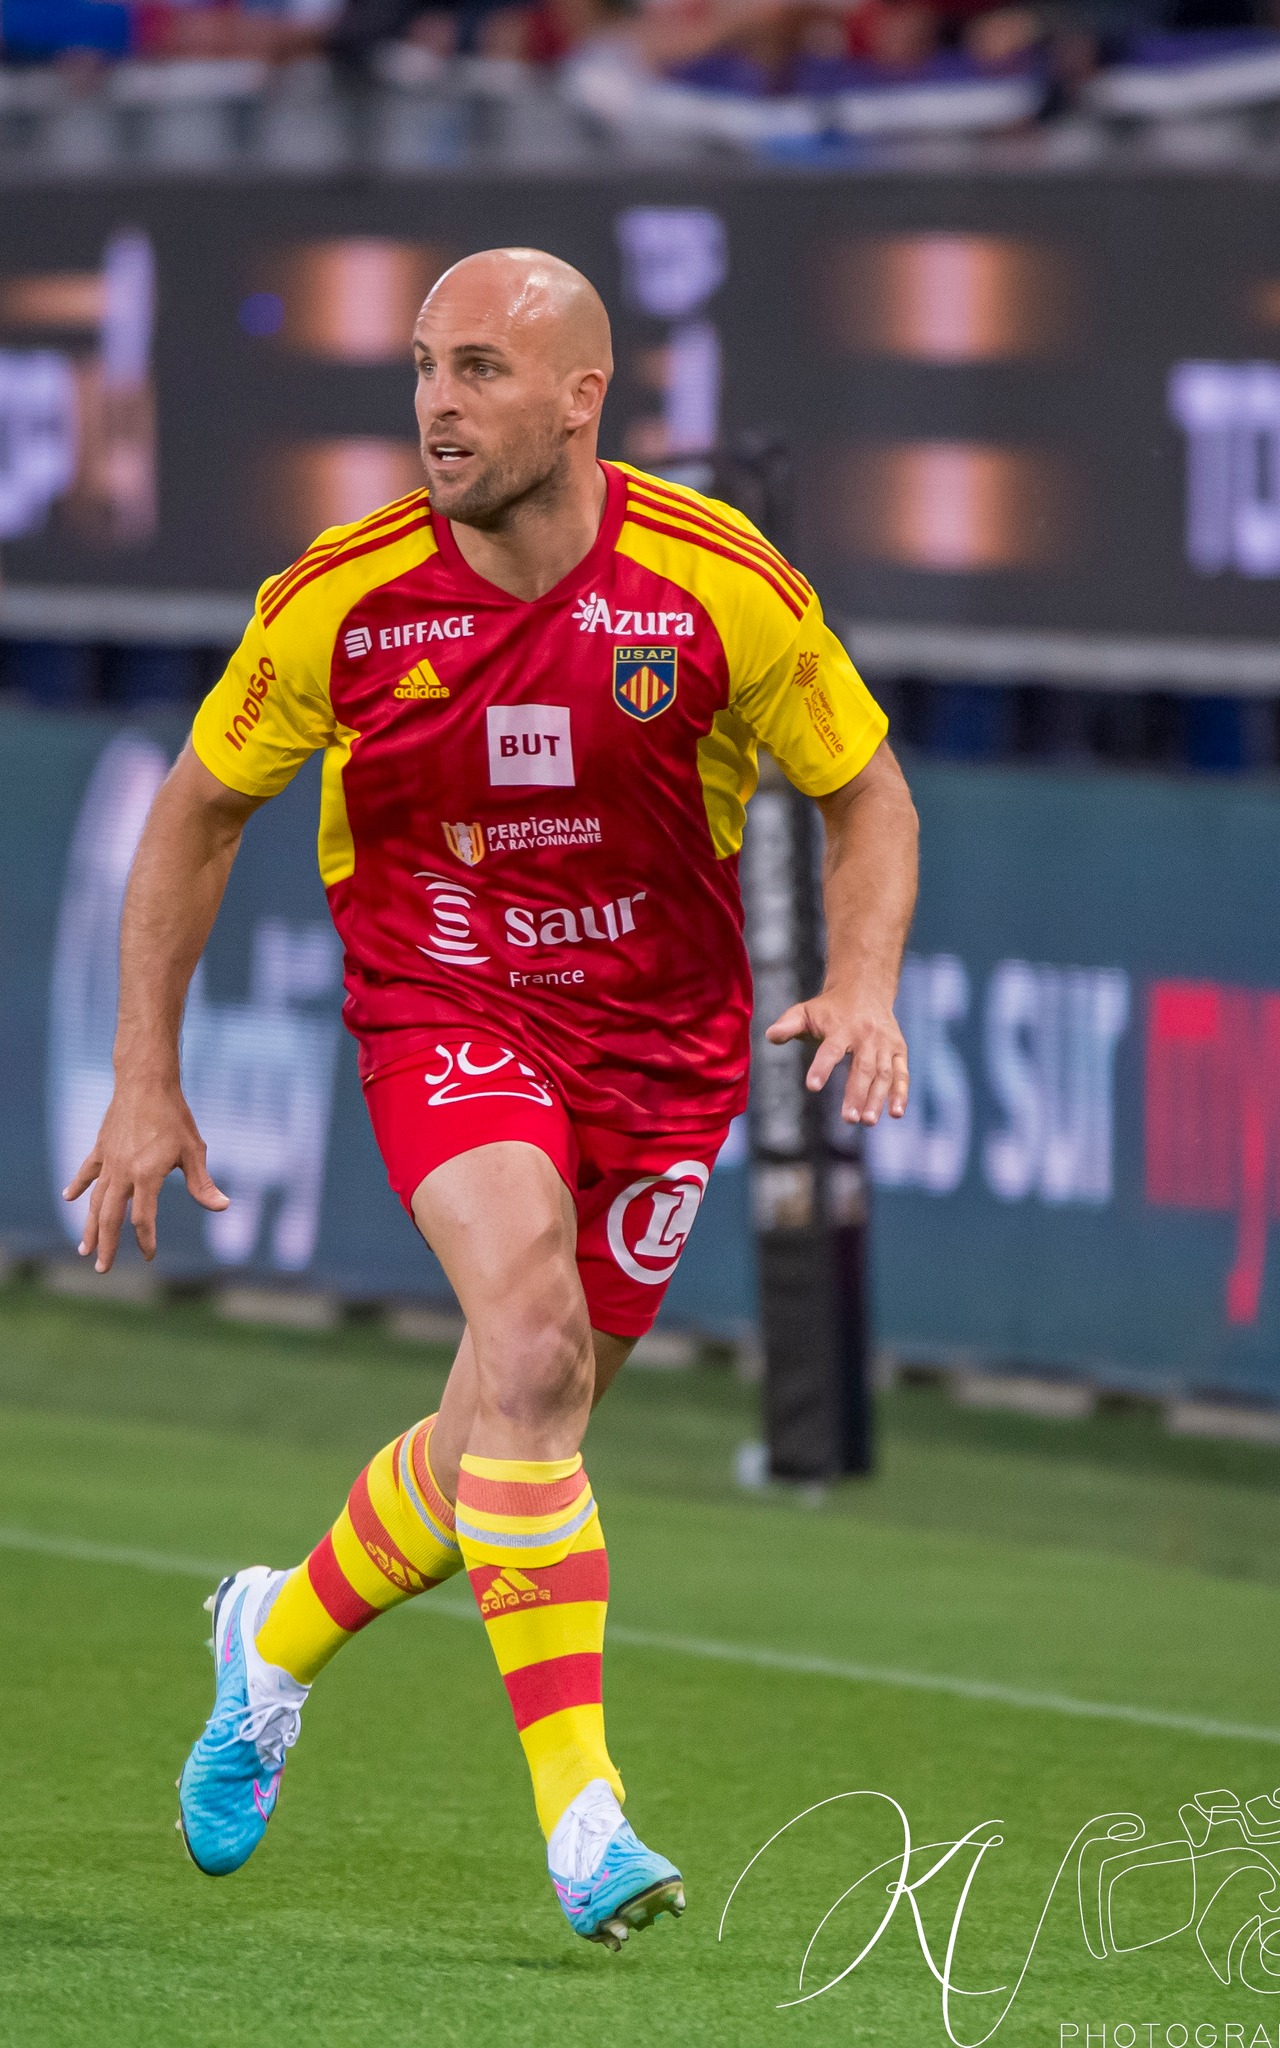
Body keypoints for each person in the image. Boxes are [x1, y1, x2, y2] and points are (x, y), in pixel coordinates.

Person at [64, 247, 919, 1951]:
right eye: (423, 371)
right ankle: (585, 1821)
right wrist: (143, 1078)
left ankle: (273, 1637)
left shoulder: (713, 584)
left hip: (661, 1047)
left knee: (506, 1437)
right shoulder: (341, 600)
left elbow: (868, 793)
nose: (436, 408)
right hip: (444, 1002)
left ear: (582, 398)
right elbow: (193, 817)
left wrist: (867, 981)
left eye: (477, 372)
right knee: (526, 1352)